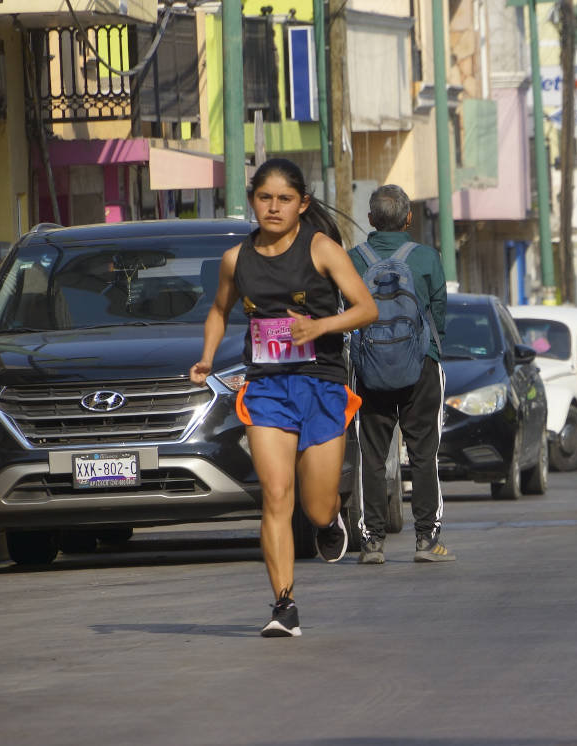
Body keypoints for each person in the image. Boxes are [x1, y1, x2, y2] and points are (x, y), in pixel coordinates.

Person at [190, 158, 379, 636]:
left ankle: (330, 520)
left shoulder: (321, 248)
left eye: (284, 199)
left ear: (302, 204)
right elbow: (218, 309)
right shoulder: (237, 258)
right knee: (275, 496)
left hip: (321, 384)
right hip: (268, 386)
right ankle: (284, 605)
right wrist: (208, 357)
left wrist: (320, 325)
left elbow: (366, 308)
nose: (273, 207)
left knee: (315, 507)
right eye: (264, 198)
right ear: (253, 199)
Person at [354, 185, 453, 565]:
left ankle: (373, 543)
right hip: (421, 368)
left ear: (370, 221)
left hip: (369, 370)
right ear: (409, 219)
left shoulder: (354, 259)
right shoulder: (426, 257)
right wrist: (430, 349)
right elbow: (439, 312)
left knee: (372, 456)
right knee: (425, 455)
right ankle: (427, 540)